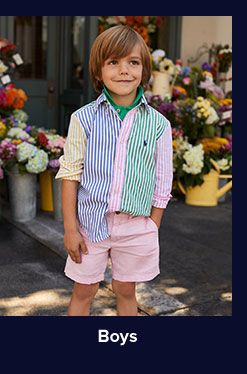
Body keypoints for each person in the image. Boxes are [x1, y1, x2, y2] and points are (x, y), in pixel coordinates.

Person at [55, 25, 173, 316]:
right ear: (98, 71)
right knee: (84, 290)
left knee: (126, 289)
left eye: (133, 62)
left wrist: (152, 226)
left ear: (144, 70)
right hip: (90, 226)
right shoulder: (83, 119)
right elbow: (70, 174)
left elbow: (162, 180)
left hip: (136, 225)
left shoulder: (159, 124)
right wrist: (70, 229)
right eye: (113, 62)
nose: (124, 71)